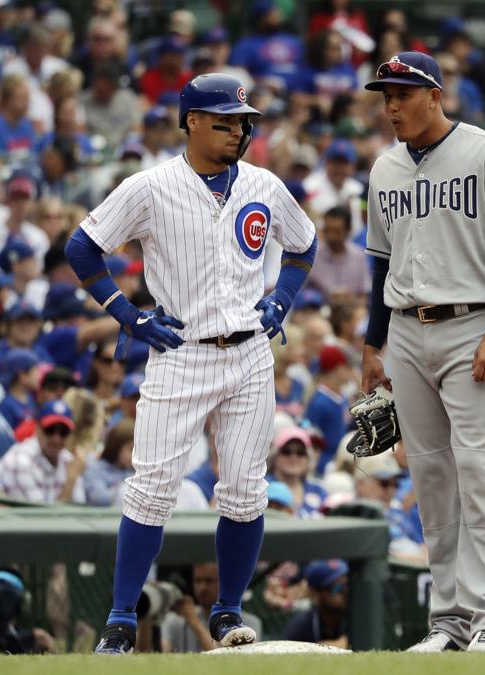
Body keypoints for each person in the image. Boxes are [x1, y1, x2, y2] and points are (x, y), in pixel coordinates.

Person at [70, 73, 317, 654]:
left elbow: (303, 245)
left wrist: (281, 299)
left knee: (245, 490)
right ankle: (121, 619)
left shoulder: (262, 184)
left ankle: (229, 612)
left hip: (251, 353)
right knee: (151, 488)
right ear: (192, 122)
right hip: (181, 353)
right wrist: (127, 316)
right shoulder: (150, 187)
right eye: (225, 121)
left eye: (243, 121)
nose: (238, 130)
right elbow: (81, 248)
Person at [361, 51, 485, 653]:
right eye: (384, 96)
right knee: (431, 477)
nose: (390, 107)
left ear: (434, 95)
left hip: (472, 324)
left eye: (401, 95)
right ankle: (450, 622)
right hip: (407, 330)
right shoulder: (384, 169)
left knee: (480, 473)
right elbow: (380, 264)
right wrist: (372, 342)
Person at [0, 399, 87, 504]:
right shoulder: (20, 461)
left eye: (63, 432)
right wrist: (70, 482)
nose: (56, 439)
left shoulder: (68, 460)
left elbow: (79, 510)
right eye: (50, 430)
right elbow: (43, 518)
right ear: (37, 428)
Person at [162, 562, 264, 653]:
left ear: (224, 583)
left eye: (209, 581)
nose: (202, 588)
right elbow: (161, 655)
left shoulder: (248, 623)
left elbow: (228, 663)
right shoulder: (176, 619)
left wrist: (194, 622)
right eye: (198, 581)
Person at [282, 559, 349, 648]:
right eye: (337, 587)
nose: (345, 591)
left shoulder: (361, 618)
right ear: (314, 593)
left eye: (347, 585)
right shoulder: (302, 626)